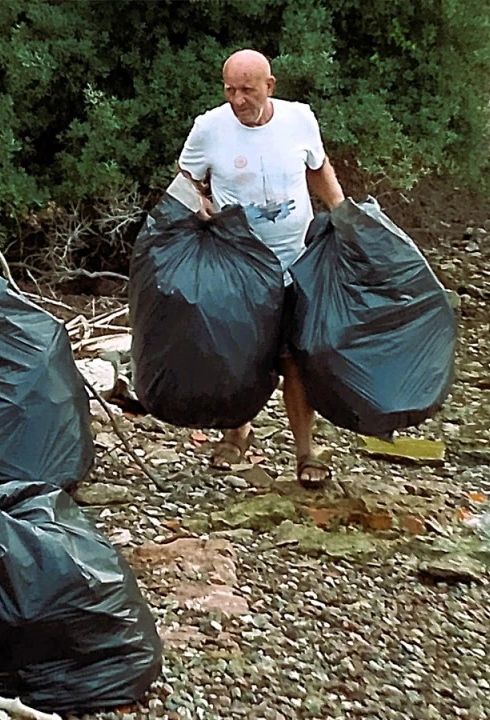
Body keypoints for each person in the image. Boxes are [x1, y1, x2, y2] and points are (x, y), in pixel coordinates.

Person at [176, 48, 344, 488]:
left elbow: (318, 168)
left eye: (247, 90)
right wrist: (202, 205)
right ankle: (236, 435)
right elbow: (187, 179)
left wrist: (344, 215)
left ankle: (305, 451)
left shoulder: (299, 119)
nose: (237, 99)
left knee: (295, 360)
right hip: (238, 265)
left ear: (270, 87)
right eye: (230, 89)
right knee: (241, 355)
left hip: (295, 261)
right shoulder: (209, 128)